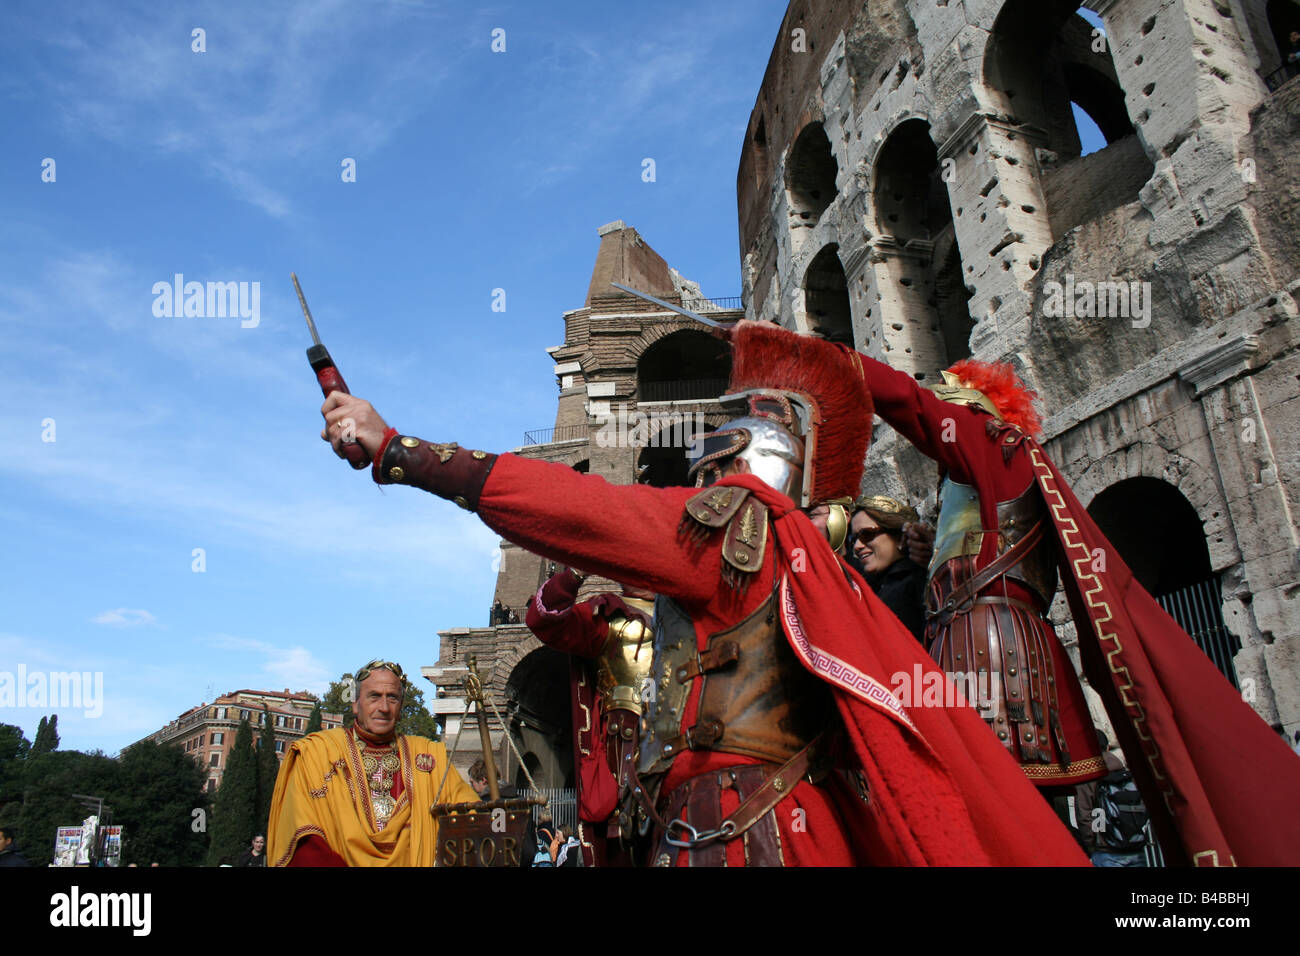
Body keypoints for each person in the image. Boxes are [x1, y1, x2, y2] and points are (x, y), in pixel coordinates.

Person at [318, 320, 1089, 866]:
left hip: (732, 823)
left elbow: (580, 508)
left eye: (713, 463)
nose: (699, 480)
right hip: (801, 818)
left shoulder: (735, 531)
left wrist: (401, 451)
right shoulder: (814, 559)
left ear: (742, 468)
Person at [850, 351, 1300, 865]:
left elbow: (915, 408)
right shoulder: (967, 482)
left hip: (994, 650)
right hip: (966, 639)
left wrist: (843, 364)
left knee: (1010, 806)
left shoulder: (997, 450)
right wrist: (936, 556)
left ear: (975, 417)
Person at [267, 658, 479, 866]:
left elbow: (472, 819)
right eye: (374, 696)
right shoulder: (317, 754)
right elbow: (304, 839)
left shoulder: (429, 758)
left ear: (401, 706)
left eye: (392, 698)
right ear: (356, 704)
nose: (384, 707)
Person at [525, 566, 657, 865]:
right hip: (625, 744)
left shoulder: (686, 614)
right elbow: (544, 620)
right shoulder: (607, 615)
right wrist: (574, 573)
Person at [849, 496, 929, 642]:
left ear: (899, 536)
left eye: (867, 534)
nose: (857, 546)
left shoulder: (920, 581)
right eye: (853, 539)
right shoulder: (866, 587)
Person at [1075, 731, 1147, 867]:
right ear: (1108, 747)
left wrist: (1095, 845)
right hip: (1135, 847)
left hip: (1106, 852)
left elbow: (1084, 816)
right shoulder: (1125, 774)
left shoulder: (1088, 777)